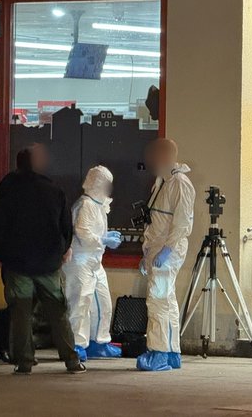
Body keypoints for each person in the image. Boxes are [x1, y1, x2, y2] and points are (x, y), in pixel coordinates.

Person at [0, 143, 86, 375]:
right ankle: (71, 360)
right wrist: (62, 250)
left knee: (21, 312)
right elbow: (66, 227)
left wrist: (1, 254)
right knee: (57, 311)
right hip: (49, 262)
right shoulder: (53, 190)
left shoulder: (8, 190)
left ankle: (24, 361)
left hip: (17, 262)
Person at [136, 138, 195, 372]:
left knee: (158, 301)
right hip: (158, 249)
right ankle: (171, 352)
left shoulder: (180, 183)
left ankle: (159, 351)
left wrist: (167, 250)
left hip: (167, 251)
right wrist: (147, 253)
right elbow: (156, 221)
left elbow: (181, 223)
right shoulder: (163, 181)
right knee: (166, 300)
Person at [63, 165, 123, 362]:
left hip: (95, 261)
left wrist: (104, 237)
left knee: (102, 302)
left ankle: (99, 341)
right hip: (80, 261)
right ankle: (77, 345)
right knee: (80, 304)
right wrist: (103, 240)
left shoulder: (98, 205)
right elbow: (82, 232)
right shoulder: (86, 204)